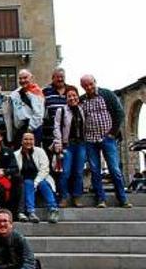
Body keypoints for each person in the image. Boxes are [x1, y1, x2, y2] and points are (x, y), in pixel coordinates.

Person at [80, 74, 131, 208]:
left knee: (114, 169)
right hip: (90, 139)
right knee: (95, 170)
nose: (89, 87)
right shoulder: (83, 100)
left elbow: (119, 112)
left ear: (95, 82)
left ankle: (123, 198)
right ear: (83, 87)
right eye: (85, 86)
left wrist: (113, 133)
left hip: (107, 138)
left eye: (90, 84)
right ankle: (100, 199)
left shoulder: (106, 94)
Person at [52, 86, 87, 207]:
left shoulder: (83, 110)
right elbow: (56, 127)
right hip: (67, 145)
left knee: (78, 172)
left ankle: (77, 196)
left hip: (81, 144)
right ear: (66, 98)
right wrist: (59, 143)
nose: (72, 98)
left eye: (74, 95)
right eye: (69, 96)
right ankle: (64, 197)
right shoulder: (61, 111)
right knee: (65, 172)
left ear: (78, 96)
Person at [16, 132, 60, 223]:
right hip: (25, 181)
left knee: (42, 183)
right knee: (28, 183)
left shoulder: (40, 151)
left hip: (41, 178)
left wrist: (36, 182)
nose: (28, 141)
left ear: (34, 141)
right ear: (21, 141)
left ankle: (53, 209)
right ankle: (31, 212)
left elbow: (44, 169)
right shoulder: (16, 154)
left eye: (31, 139)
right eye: (26, 139)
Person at [10, 69, 45, 145]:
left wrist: (29, 129)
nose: (22, 80)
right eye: (20, 78)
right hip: (20, 128)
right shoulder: (16, 93)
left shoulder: (37, 93)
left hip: (33, 127)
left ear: (31, 78)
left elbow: (38, 114)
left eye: (25, 78)